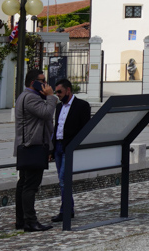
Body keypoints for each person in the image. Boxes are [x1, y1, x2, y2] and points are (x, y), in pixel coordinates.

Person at [13, 68, 58, 231]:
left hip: (28, 146)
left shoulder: (26, 96)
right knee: (30, 186)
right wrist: (51, 97)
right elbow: (46, 113)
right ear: (33, 83)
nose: (46, 84)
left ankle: (21, 221)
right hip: (32, 147)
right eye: (43, 81)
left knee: (24, 184)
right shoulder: (31, 98)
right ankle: (30, 221)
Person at [51, 78, 92, 223]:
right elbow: (57, 127)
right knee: (62, 179)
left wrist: (77, 146)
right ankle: (69, 209)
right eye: (56, 92)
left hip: (70, 147)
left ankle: (66, 211)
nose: (58, 95)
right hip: (58, 147)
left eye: (60, 92)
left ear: (68, 90)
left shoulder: (82, 105)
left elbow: (85, 128)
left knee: (64, 179)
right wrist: (52, 148)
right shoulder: (58, 107)